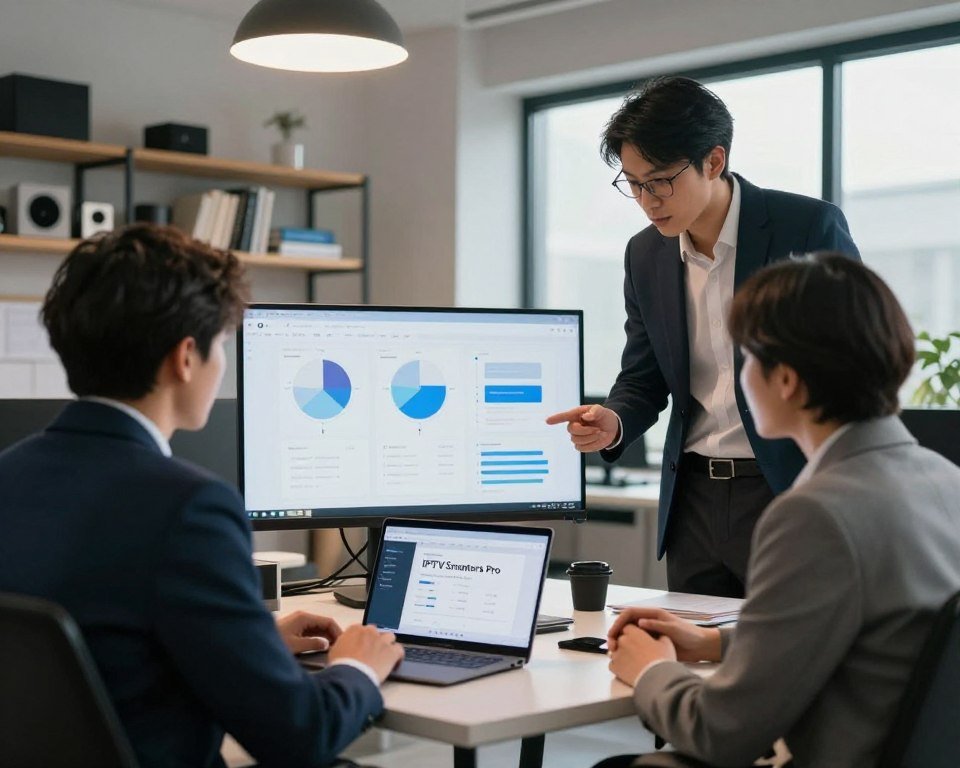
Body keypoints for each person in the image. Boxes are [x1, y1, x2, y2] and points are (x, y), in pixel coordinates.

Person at [0, 224, 403, 768]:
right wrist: (358, 667)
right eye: (222, 345)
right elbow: (301, 736)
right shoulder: (190, 507)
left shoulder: (10, 473)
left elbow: (105, 642)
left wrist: (248, 641)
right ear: (186, 357)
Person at [599, 253, 960, 768]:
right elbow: (871, 641)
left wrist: (650, 670)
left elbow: (721, 733)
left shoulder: (816, 515)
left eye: (746, 358)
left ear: (786, 380)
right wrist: (712, 643)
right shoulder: (945, 480)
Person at [547, 76, 861, 597]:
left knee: (785, 642)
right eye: (633, 183)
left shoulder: (806, 227)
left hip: (785, 485)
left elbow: (853, 363)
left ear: (714, 161)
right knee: (691, 641)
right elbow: (643, 376)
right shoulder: (644, 254)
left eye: (659, 181)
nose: (646, 201)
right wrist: (616, 421)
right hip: (692, 499)